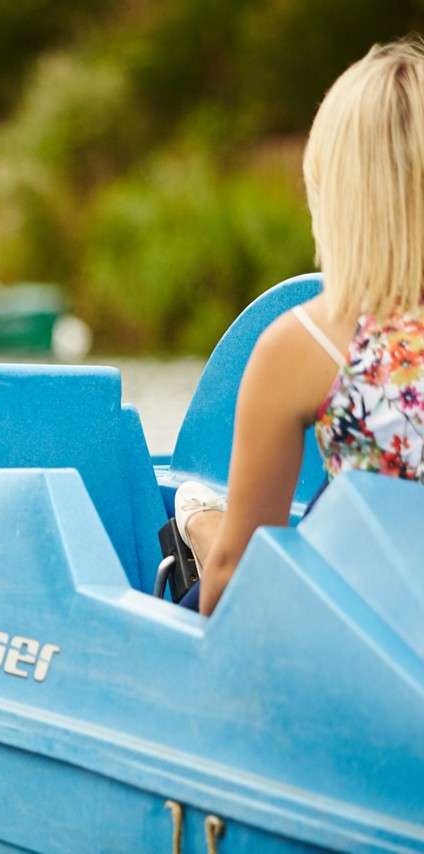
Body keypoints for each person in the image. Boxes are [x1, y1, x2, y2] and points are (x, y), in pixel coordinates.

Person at [175, 38, 424, 616]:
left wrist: (212, 547)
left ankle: (202, 527)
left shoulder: (307, 343)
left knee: (210, 584)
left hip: (370, 644)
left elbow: (237, 587)